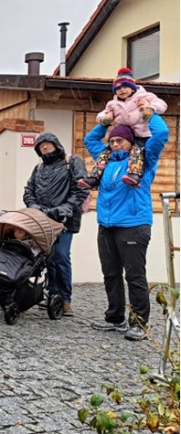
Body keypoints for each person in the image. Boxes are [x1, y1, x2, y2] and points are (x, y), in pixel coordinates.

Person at [86, 117, 169, 341]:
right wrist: (104, 123)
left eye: (120, 140)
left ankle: (139, 323)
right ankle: (115, 318)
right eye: (112, 141)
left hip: (134, 226)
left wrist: (150, 115)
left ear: (131, 142)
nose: (115, 144)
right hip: (107, 226)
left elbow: (160, 134)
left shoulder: (144, 161)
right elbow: (90, 139)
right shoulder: (105, 161)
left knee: (134, 276)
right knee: (111, 274)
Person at [23, 133, 88, 318]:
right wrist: (35, 206)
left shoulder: (72, 161)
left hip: (64, 220)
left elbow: (81, 187)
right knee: (47, 257)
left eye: (47, 143)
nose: (44, 147)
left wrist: (65, 208)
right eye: (40, 145)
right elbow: (29, 191)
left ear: (56, 144)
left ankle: (65, 299)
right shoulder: (39, 168)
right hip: (43, 219)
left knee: (61, 256)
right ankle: (52, 293)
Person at [80, 67, 167, 189]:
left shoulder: (144, 96)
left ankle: (134, 175)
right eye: (118, 88)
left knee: (137, 152)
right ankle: (94, 177)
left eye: (125, 87)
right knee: (104, 155)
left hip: (142, 135)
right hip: (124, 131)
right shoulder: (113, 103)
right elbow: (100, 117)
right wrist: (105, 120)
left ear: (133, 87)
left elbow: (161, 109)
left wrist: (150, 110)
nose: (122, 90)